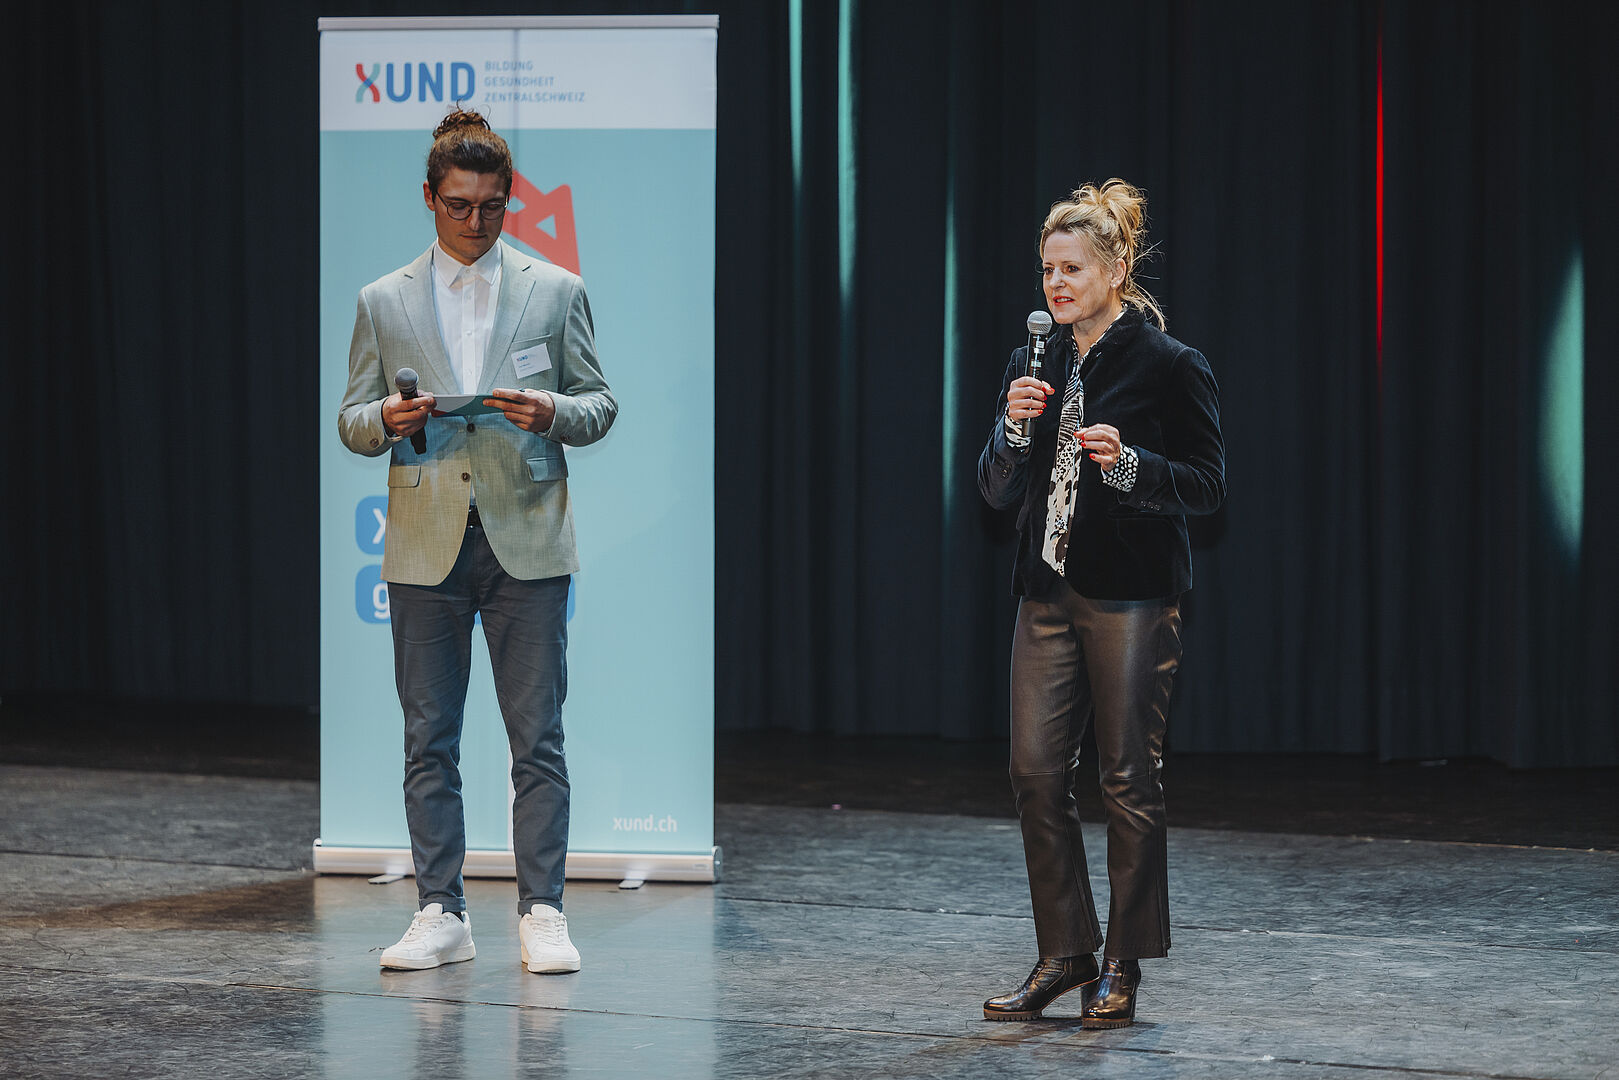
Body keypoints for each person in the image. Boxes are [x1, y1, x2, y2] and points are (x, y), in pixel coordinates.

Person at [338, 109, 618, 975]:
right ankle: (440, 911)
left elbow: (599, 403)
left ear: (508, 199)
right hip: (425, 539)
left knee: (537, 737)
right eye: (458, 205)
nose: (475, 221)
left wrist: (551, 410)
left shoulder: (555, 289)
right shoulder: (383, 299)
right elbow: (351, 421)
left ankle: (543, 911)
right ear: (429, 198)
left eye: (492, 206)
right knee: (430, 737)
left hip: (525, 536)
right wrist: (387, 419)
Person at [977, 179, 1224, 1026]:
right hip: (1044, 589)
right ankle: (1065, 952)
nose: (1055, 284)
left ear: (1114, 270)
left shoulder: (1170, 364)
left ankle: (1122, 961)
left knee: (1126, 777)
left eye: (1071, 268)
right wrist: (1010, 433)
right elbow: (993, 491)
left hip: (1130, 596)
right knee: (1034, 773)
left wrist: (1131, 466)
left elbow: (1207, 486)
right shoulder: (1030, 362)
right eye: (1047, 269)